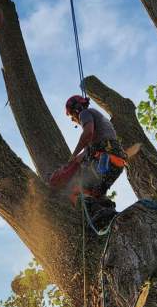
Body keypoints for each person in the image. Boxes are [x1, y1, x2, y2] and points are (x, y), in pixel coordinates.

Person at [49, 94, 127, 223]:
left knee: (76, 191)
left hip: (105, 161)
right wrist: (73, 162)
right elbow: (82, 156)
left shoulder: (85, 113)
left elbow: (87, 134)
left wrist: (73, 154)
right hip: (115, 163)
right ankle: (109, 217)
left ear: (76, 109)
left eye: (72, 115)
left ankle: (99, 217)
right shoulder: (100, 123)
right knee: (95, 193)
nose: (73, 120)